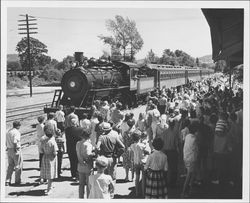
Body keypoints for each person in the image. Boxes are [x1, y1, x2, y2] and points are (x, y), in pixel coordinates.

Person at [96, 122, 125, 195]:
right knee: (112, 178)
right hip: (112, 158)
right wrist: (117, 155)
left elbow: (97, 147)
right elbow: (122, 147)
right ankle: (111, 194)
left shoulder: (101, 137)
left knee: (104, 177)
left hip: (103, 158)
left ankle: (105, 193)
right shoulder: (115, 135)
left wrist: (99, 154)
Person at [181, 121, 199, 198]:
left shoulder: (187, 136)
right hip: (192, 159)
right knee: (189, 176)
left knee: (191, 175)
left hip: (186, 157)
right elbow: (196, 149)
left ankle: (190, 191)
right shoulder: (194, 139)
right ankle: (183, 192)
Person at [130, 130, 151, 197]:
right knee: (143, 177)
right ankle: (143, 193)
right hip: (142, 161)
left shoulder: (132, 145)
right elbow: (148, 152)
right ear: (139, 137)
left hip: (136, 162)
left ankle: (136, 192)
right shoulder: (142, 145)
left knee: (137, 177)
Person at [40, 124, 58, 195]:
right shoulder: (52, 142)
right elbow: (55, 152)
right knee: (51, 173)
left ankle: (49, 185)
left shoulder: (42, 140)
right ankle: (49, 189)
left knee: (46, 172)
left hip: (45, 157)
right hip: (51, 158)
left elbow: (41, 150)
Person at [76, 131, 95, 198]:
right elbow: (88, 154)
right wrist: (93, 154)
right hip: (87, 165)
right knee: (89, 184)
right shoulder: (88, 144)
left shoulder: (78, 143)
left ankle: (81, 197)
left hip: (80, 164)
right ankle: (88, 198)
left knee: (81, 184)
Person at [5, 121, 23, 186]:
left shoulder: (8, 131)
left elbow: (5, 141)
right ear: (18, 126)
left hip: (9, 150)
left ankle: (7, 180)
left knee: (10, 166)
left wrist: (7, 146)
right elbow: (15, 141)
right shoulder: (16, 132)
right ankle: (17, 181)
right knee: (18, 166)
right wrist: (15, 149)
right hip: (15, 149)